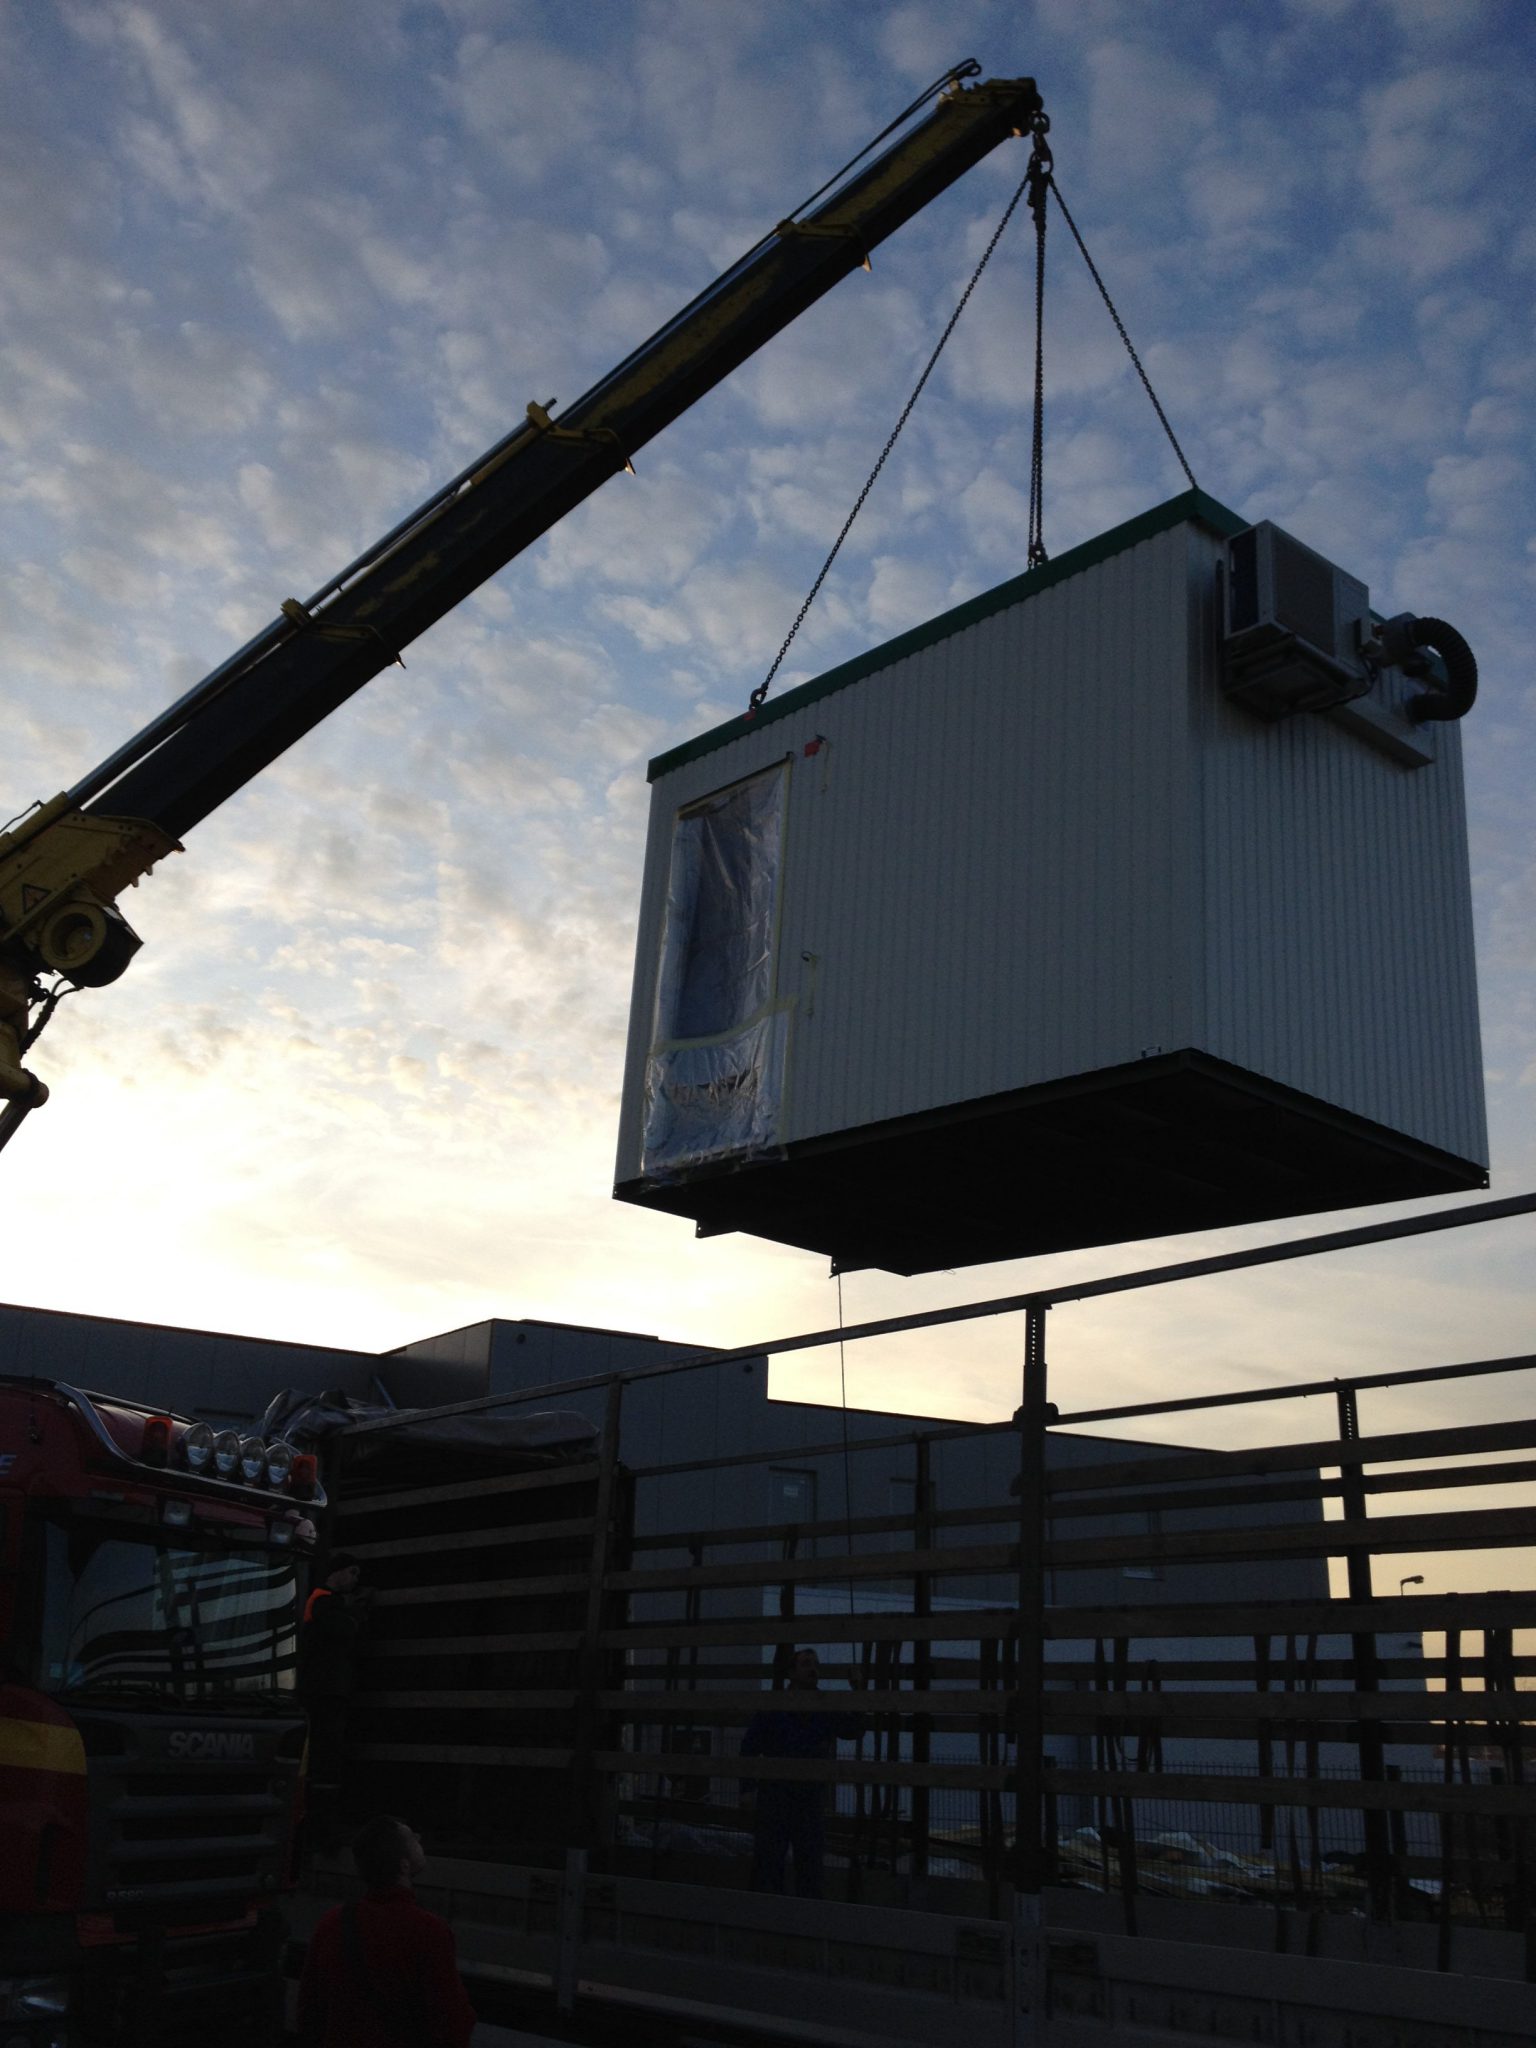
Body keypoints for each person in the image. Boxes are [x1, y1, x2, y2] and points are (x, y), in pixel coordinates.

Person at [297, 1815, 476, 2048]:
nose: (420, 1838)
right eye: (413, 1838)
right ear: (404, 1865)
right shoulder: (429, 1931)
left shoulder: (332, 1923)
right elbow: (452, 2020)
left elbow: (309, 2007)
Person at [739, 1647, 867, 1898]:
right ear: (791, 1672)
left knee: (806, 1866)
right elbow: (749, 1746)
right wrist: (747, 1788)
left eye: (815, 1664)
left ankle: (795, 1918)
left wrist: (858, 1690)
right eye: (807, 1663)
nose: (813, 1669)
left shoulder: (821, 1706)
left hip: (806, 1798)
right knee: (772, 1863)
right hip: (779, 1797)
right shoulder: (778, 1707)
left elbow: (854, 1729)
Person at [299, 1553, 369, 1785]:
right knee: (325, 1743)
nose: (355, 1578)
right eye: (352, 1572)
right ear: (337, 1572)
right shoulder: (322, 1600)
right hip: (324, 1688)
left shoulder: (325, 1601)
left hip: (326, 1686)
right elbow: (346, 1629)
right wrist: (356, 1613)